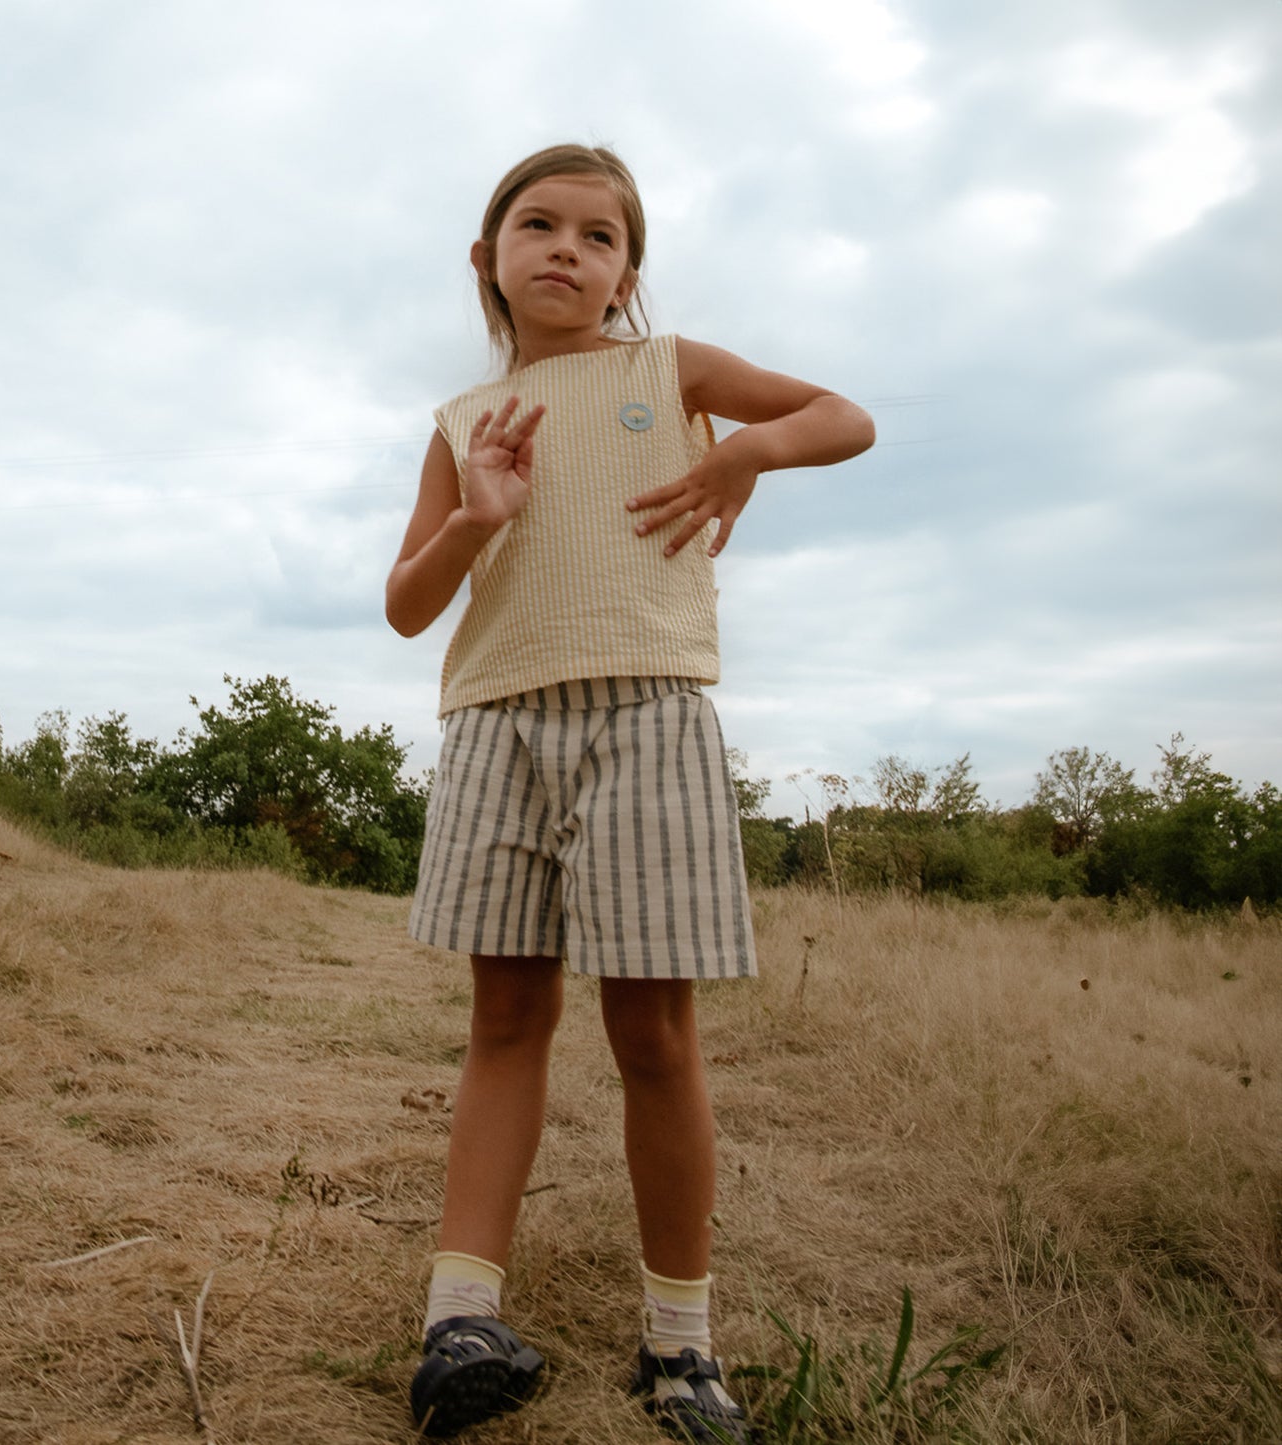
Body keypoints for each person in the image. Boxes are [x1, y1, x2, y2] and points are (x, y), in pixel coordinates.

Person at [385, 143, 874, 1441]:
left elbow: (845, 415)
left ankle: (679, 1344)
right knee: (504, 1020)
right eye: (534, 225)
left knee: (652, 1033)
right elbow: (405, 606)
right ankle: (460, 1319)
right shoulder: (454, 426)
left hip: (646, 714)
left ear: (626, 272)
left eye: (597, 235)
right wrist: (474, 517)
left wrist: (743, 456)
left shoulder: (671, 370)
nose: (564, 248)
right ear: (485, 259)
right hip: (496, 720)